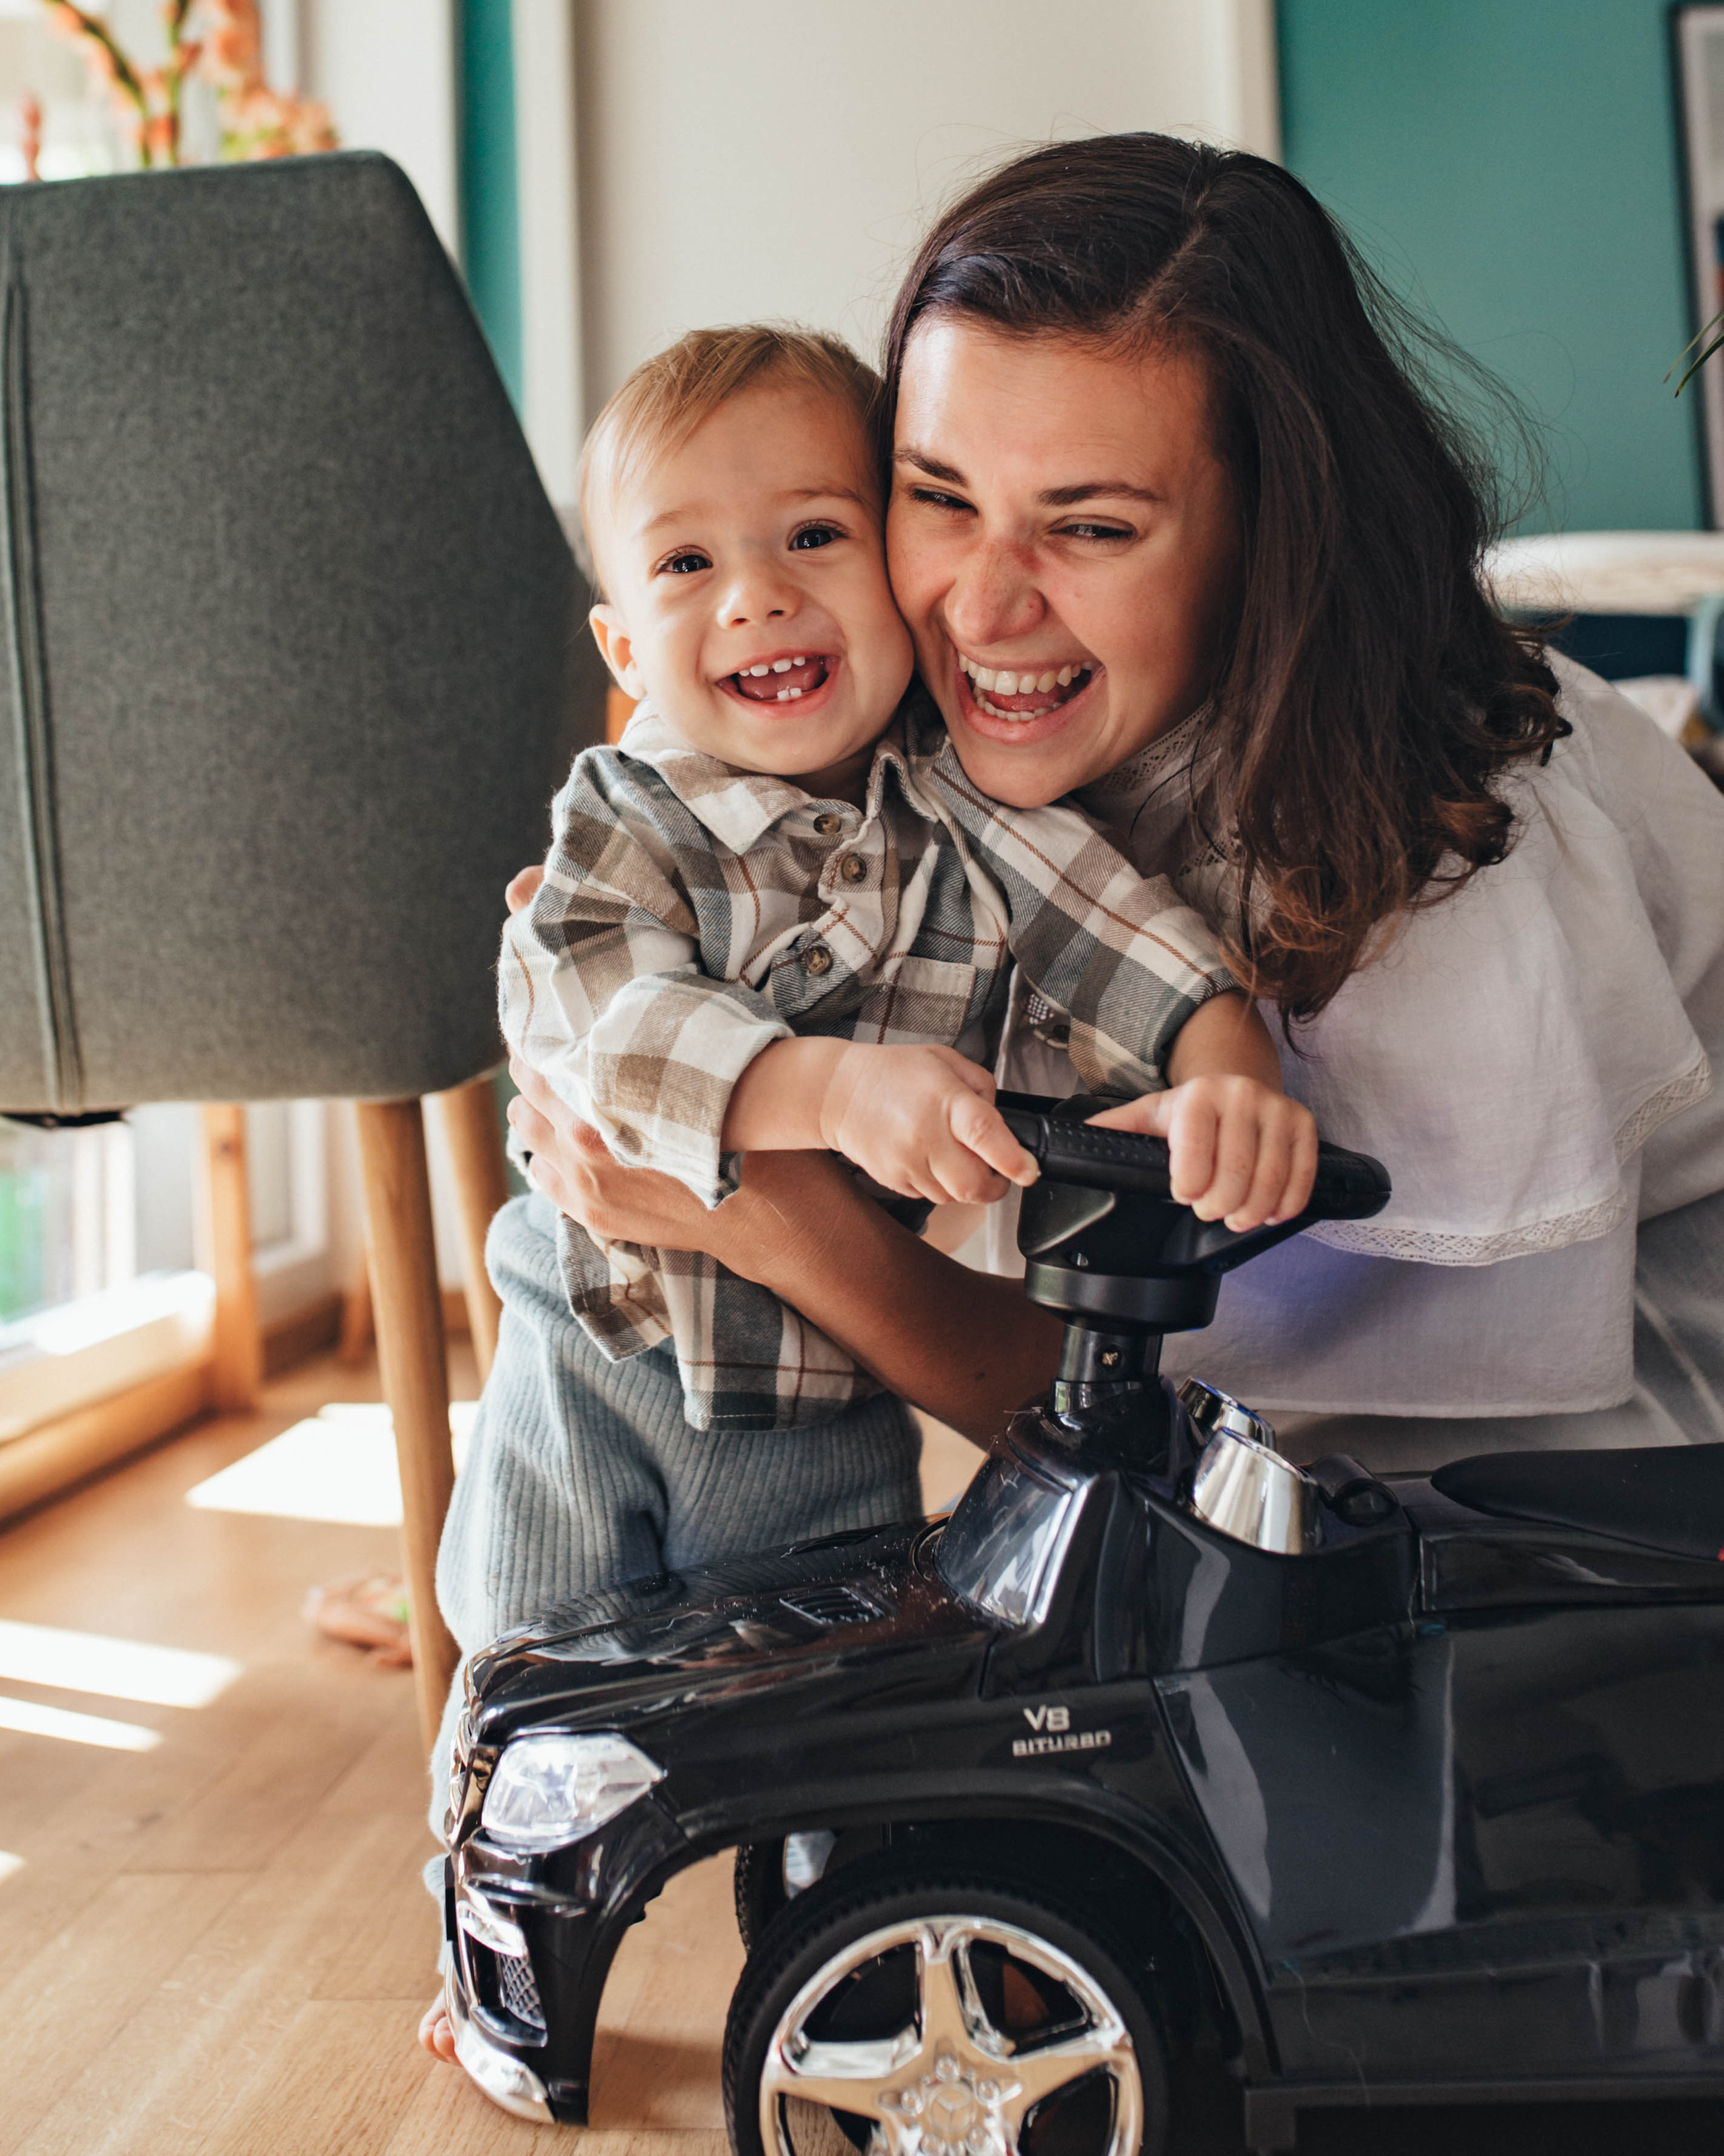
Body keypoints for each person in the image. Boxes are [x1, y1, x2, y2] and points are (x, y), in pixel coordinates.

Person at [506, 134, 1724, 1476]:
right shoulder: (912, 758)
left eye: (1090, 527)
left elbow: (1186, 1436)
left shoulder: (1445, 860)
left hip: (1604, 1472)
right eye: (937, 496)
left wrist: (768, 1215)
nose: (982, 610)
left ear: (1270, 535)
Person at [421, 310, 1315, 2063]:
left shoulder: (976, 813)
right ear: (622, 642)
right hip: (587, 1352)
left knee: (845, 1721)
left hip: (818, 1395)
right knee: (522, 1671)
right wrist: (824, 1087)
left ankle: (873, 1978)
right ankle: (496, 1970)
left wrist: (1232, 1072)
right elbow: (597, 1011)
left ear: (897, 579)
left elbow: (1147, 956)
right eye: (688, 564)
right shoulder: (625, 813)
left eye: (812, 536)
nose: (756, 598)